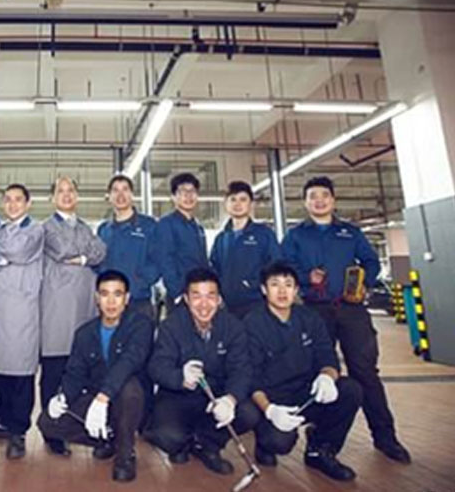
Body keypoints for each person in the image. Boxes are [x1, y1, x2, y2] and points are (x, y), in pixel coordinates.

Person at [281, 176, 410, 463]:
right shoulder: (296, 236)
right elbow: (284, 267)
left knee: (365, 373)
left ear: (333, 200)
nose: (319, 200)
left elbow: (371, 262)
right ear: (305, 202)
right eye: (313, 196)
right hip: (314, 312)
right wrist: (305, 277)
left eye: (324, 195)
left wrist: (366, 283)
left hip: (352, 311)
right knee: (320, 373)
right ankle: (320, 437)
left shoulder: (350, 233)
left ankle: (385, 437)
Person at [245, 261, 364, 481]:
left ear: (296, 290)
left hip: (308, 393)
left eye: (288, 285)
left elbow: (327, 356)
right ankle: (263, 442)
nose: (282, 291)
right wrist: (270, 410)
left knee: (350, 390)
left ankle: (319, 449)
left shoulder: (310, 318)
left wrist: (327, 377)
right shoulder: (252, 324)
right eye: (275, 284)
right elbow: (251, 377)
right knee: (278, 442)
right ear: (263, 289)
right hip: (274, 399)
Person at [38, 270, 154, 482]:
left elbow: (130, 361)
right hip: (96, 399)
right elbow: (75, 373)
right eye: (104, 294)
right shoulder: (85, 333)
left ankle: (125, 454)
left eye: (117, 294)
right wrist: (63, 396)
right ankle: (108, 438)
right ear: (96, 298)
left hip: (127, 400)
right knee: (48, 422)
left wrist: (103, 398)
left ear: (127, 298)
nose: (111, 302)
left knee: (130, 389)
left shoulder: (141, 325)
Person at [144, 268, 257, 475]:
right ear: (186, 299)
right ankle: (183, 443)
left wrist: (230, 399)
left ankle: (208, 445)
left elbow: (242, 369)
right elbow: (157, 367)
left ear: (219, 299)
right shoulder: (171, 326)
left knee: (248, 413)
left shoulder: (233, 327)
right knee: (167, 436)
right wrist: (180, 377)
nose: (204, 304)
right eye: (196, 296)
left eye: (210, 296)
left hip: (216, 396)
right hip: (177, 395)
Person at [0, 184, 44, 459]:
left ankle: (18, 431)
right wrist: (2, 257)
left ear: (28, 203)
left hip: (21, 307)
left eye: (18, 200)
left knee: (21, 372)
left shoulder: (35, 229)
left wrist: (0, 256)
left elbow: (21, 252)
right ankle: (3, 419)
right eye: (8, 200)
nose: (13, 204)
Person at [39, 175, 107, 451]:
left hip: (83, 308)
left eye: (71, 190)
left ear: (77, 196)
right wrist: (85, 255)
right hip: (56, 308)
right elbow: (62, 250)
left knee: (80, 371)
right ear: (53, 198)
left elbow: (101, 251)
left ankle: (78, 424)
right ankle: (51, 431)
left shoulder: (84, 226)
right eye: (61, 191)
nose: (66, 195)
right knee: (54, 371)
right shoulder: (46, 228)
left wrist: (82, 258)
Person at [210, 180, 280, 319]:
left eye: (243, 199)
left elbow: (276, 266)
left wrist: (253, 284)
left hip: (257, 304)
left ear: (251, 204)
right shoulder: (221, 238)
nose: (237, 204)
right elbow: (214, 268)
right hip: (227, 307)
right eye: (233, 199)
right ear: (226, 204)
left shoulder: (264, 234)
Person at [97, 174, 160, 320]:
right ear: (109, 197)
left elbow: (158, 261)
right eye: (115, 190)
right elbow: (99, 262)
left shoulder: (149, 226)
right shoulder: (103, 230)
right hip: (110, 304)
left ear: (132, 194)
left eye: (125, 189)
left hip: (139, 301)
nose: (120, 195)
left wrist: (138, 284)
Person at [156, 172, 209, 311]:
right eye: (183, 192)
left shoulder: (198, 227)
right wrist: (178, 294)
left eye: (192, 192)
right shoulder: (166, 224)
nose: (188, 196)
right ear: (173, 197)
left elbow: (203, 262)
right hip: (180, 296)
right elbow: (165, 261)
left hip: (200, 293)